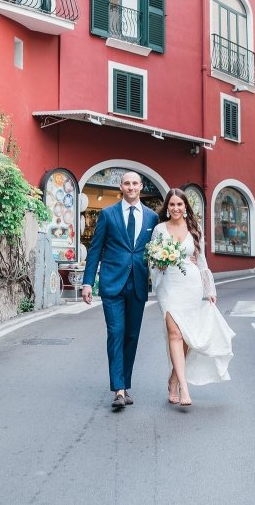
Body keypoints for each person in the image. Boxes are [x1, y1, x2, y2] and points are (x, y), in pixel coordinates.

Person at [82, 171, 159, 410]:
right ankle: (119, 389)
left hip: (137, 283)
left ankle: (125, 382)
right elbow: (95, 250)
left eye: (135, 183)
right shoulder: (107, 214)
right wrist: (87, 282)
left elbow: (156, 251)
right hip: (112, 283)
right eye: (127, 183)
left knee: (132, 336)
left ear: (141, 186)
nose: (131, 187)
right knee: (116, 332)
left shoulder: (152, 218)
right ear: (121, 186)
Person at [151, 189, 235, 406]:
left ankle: (173, 379)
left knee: (187, 336)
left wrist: (210, 291)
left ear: (185, 207)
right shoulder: (160, 230)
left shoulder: (195, 230)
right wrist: (159, 263)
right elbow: (152, 261)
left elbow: (202, 262)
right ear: (167, 207)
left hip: (192, 286)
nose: (176, 208)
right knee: (175, 333)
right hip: (168, 285)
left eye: (179, 204)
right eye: (172, 205)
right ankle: (184, 388)